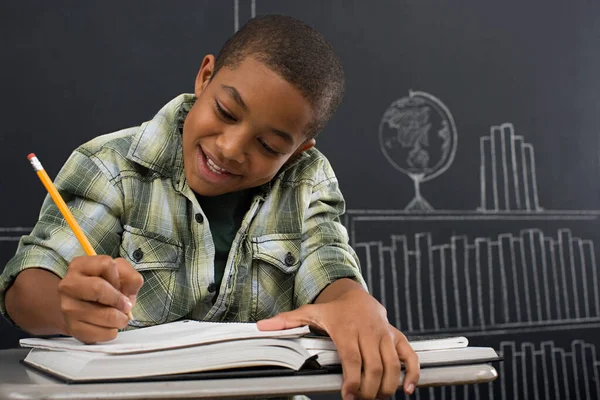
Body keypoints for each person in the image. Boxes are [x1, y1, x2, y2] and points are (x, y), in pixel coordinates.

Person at [0, 14, 418, 399]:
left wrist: (351, 301)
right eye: (225, 111)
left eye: (269, 146)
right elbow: (27, 288)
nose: (230, 149)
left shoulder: (307, 180)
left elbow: (327, 262)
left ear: (295, 153)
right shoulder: (111, 165)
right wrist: (66, 305)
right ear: (204, 77)